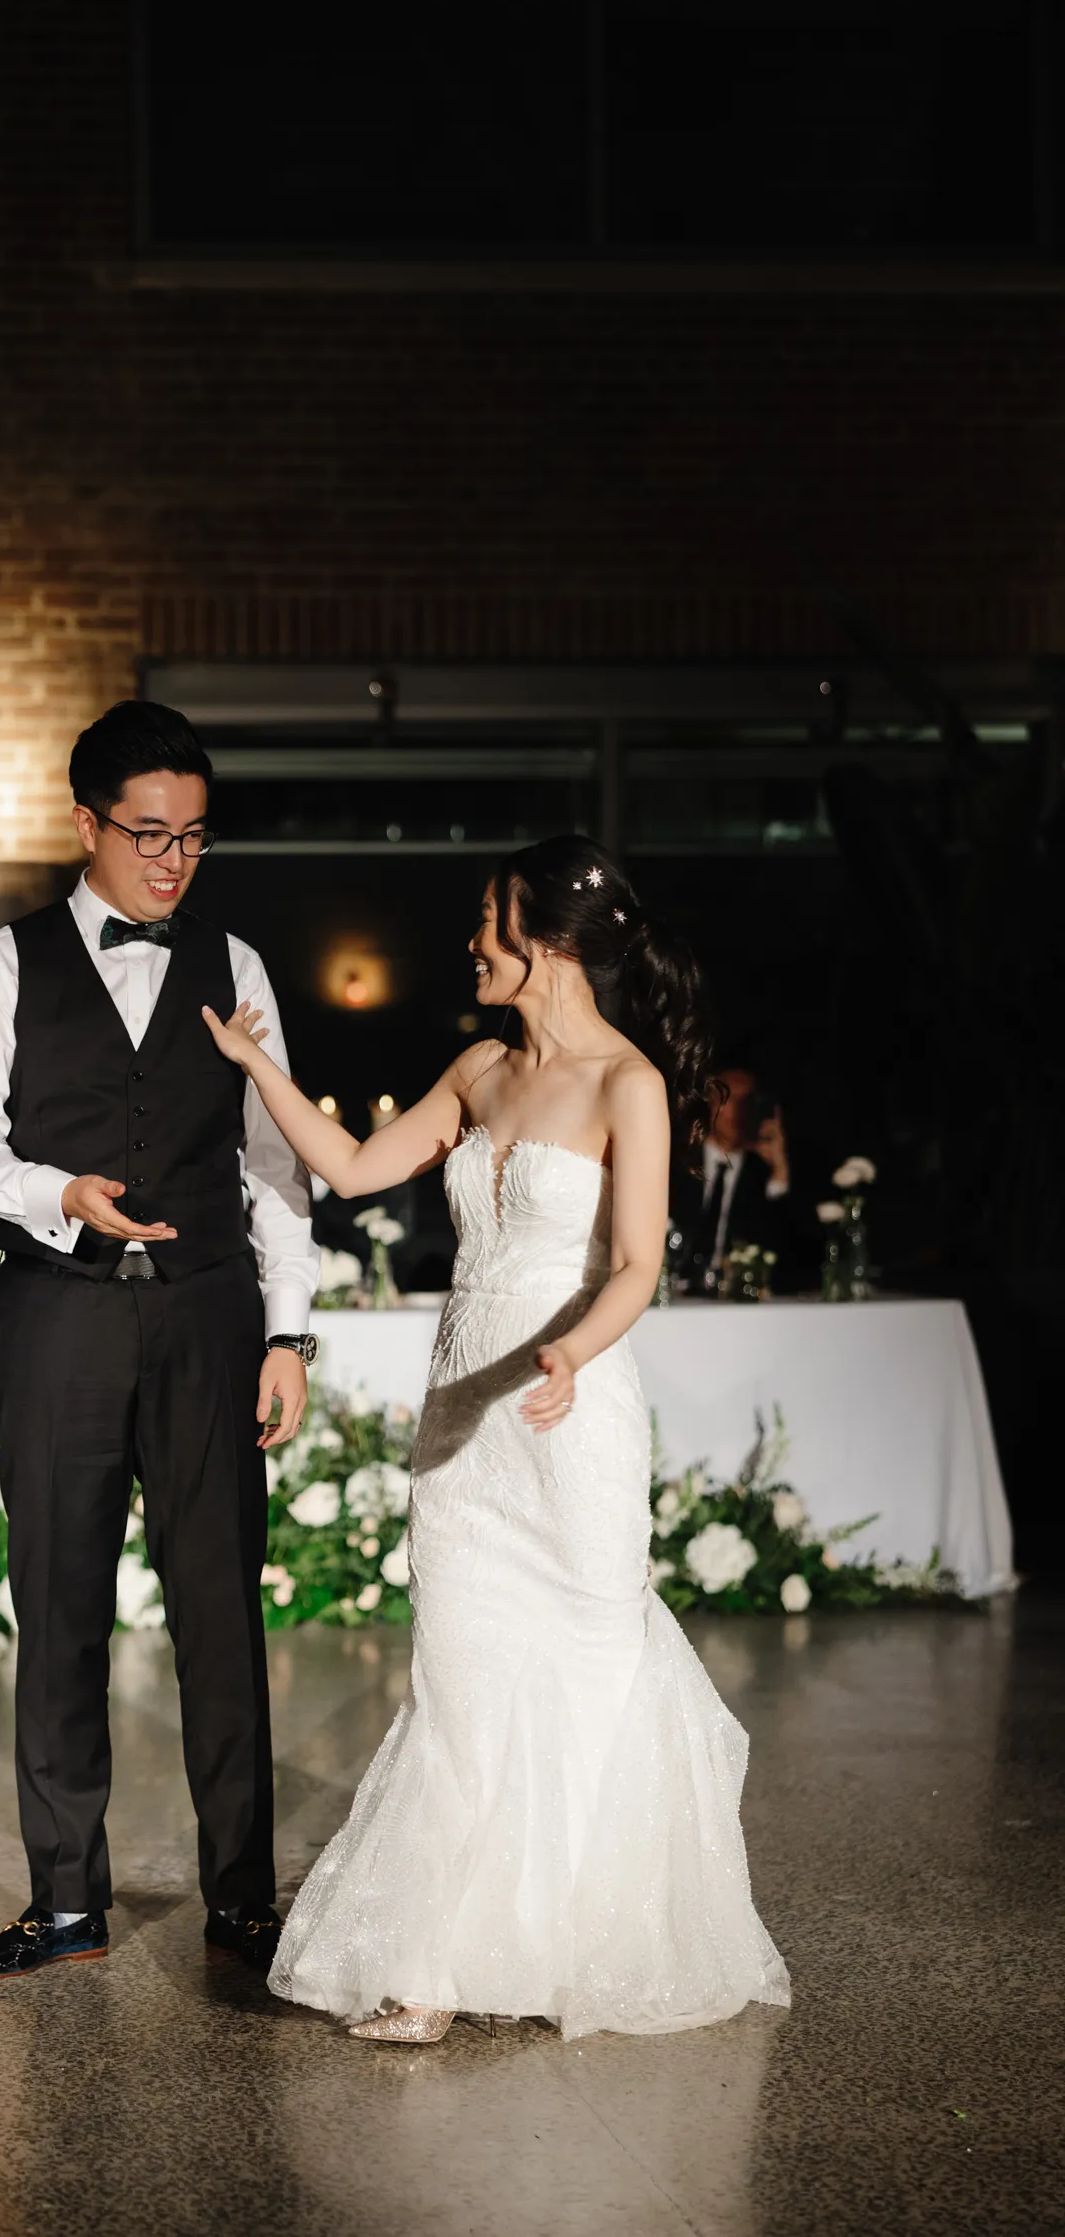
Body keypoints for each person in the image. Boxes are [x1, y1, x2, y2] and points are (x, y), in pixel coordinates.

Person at [203, 835, 790, 2043]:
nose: (469, 940)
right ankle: (429, 1968)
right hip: (462, 1423)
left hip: (567, 1421)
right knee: (459, 1684)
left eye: (487, 919)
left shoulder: (628, 1083)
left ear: (545, 942)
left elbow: (638, 1266)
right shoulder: (476, 1067)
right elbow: (359, 1168)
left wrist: (573, 1351)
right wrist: (262, 1069)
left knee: (577, 1669)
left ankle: (565, 1948)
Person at [0, 701, 319, 1979]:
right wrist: (57, 1195)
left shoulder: (238, 966)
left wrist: (290, 1329)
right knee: (60, 1609)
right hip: (58, 1316)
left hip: (208, 1312)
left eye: (195, 841)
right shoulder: (4, 964)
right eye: (148, 835)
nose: (172, 863)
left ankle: (243, 1900)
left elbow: (275, 1166)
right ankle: (68, 1902)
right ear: (84, 822)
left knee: (221, 1613)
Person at [671, 1065, 792, 1292]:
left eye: (746, 1102)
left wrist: (780, 1170)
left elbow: (783, 1253)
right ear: (709, 1102)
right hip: (674, 1289)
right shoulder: (678, 1159)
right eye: (729, 1099)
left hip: (731, 1295)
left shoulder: (759, 1173)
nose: (738, 1110)